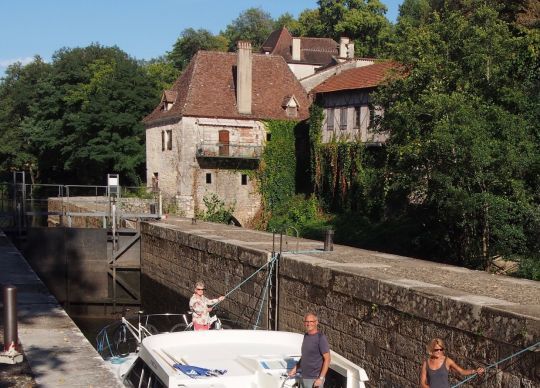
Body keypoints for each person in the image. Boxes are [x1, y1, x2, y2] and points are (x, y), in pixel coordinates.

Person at [420, 338, 485, 388]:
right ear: (432, 349)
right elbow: (422, 383)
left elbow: (462, 371)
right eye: (436, 349)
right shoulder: (426, 363)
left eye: (441, 349)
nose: (439, 351)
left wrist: (475, 371)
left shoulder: (447, 361)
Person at [288, 312, 331, 387]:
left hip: (314, 379)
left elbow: (327, 359)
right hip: (303, 376)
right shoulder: (306, 336)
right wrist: (295, 368)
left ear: (316, 322)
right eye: (307, 321)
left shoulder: (320, 338)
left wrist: (320, 378)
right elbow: (305, 356)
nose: (308, 324)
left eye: (311, 321)